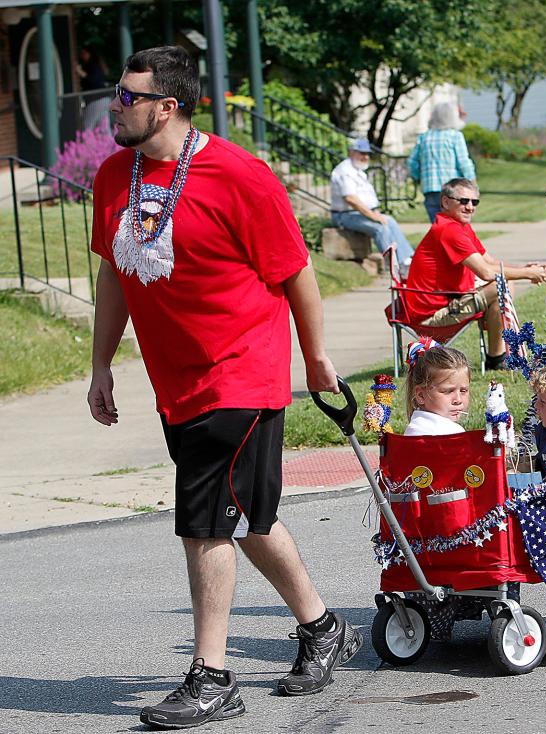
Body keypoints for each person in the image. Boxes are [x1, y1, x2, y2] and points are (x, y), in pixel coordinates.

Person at [87, 46, 361, 729]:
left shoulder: (240, 175)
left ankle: (211, 676)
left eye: (127, 96)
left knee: (204, 519)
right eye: (116, 92)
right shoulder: (114, 176)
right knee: (245, 515)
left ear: (167, 107)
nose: (113, 106)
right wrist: (100, 365)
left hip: (241, 369)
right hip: (175, 378)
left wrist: (317, 357)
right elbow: (116, 271)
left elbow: (296, 271)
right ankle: (322, 628)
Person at [403, 177, 546, 371]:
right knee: (503, 285)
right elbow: (485, 272)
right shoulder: (449, 230)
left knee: (503, 285)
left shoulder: (458, 226)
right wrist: (527, 274)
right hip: (431, 313)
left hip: (445, 302)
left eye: (475, 202)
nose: (470, 207)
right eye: (464, 201)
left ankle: (496, 358)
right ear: (445, 202)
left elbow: (489, 262)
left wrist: (524, 267)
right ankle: (497, 358)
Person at [330, 138, 415, 273]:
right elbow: (350, 199)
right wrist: (373, 216)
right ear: (351, 152)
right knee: (379, 228)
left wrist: (375, 214)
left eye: (367, 154)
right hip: (344, 215)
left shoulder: (356, 169)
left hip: (357, 213)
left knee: (390, 221)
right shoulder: (345, 171)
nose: (365, 157)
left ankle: (407, 260)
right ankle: (395, 266)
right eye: (361, 153)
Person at [408, 102, 476, 223]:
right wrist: (472, 183)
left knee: (438, 228)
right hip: (454, 190)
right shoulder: (455, 136)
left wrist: (418, 177)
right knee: (457, 228)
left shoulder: (424, 138)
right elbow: (464, 162)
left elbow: (412, 162)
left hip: (430, 189)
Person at [403, 339, 471, 436]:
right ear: (421, 395)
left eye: (463, 391)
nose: (458, 400)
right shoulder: (452, 434)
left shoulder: (415, 427)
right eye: (447, 391)